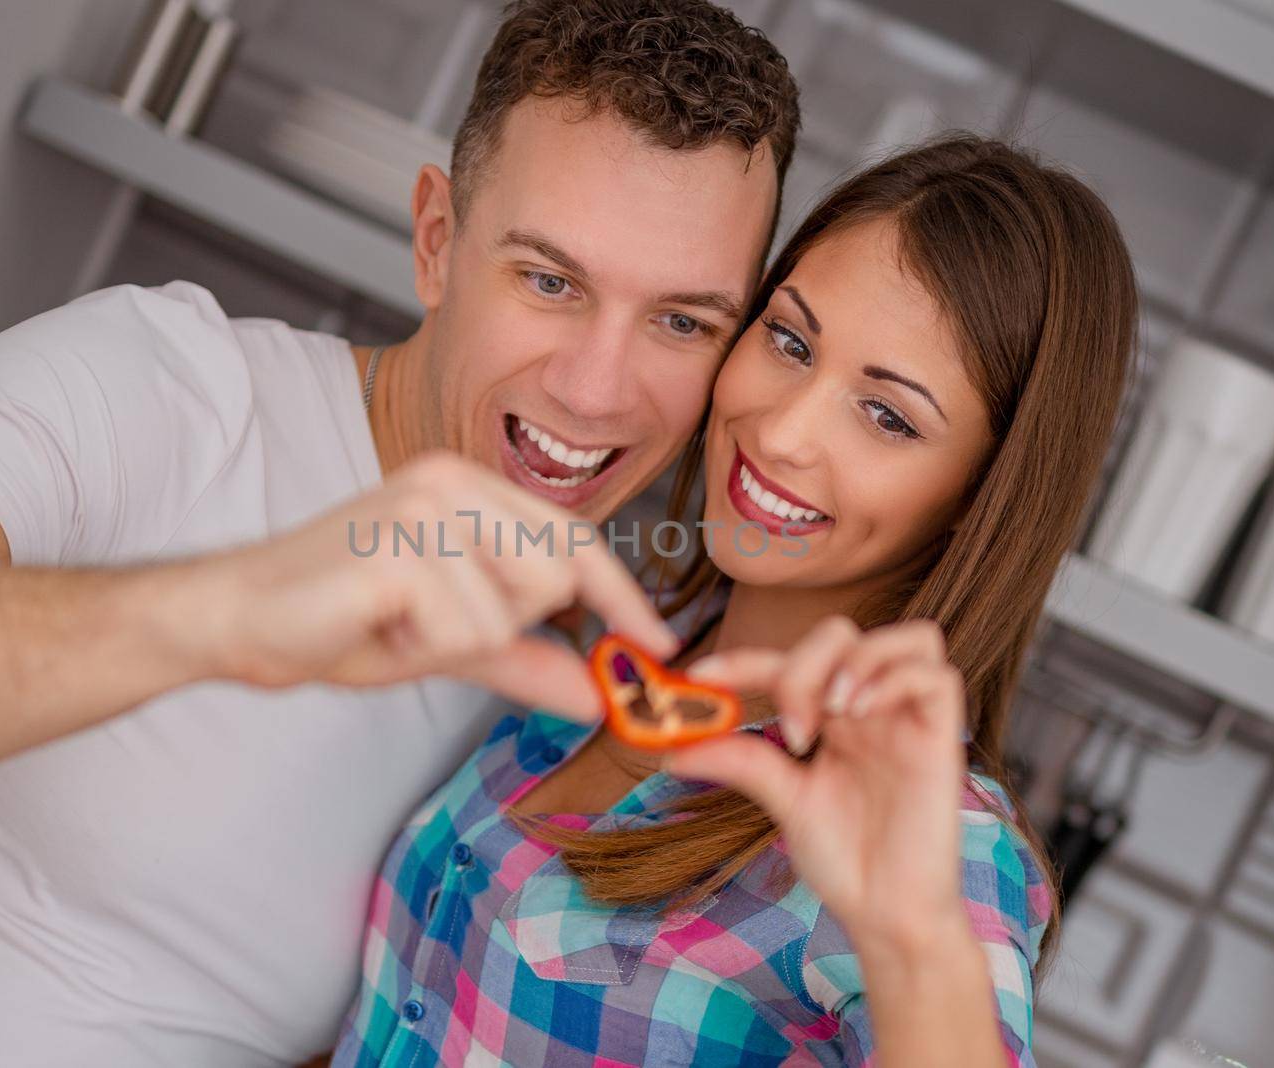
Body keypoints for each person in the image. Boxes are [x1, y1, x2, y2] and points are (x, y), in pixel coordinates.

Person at [0, 2, 800, 1065]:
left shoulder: (552, 693)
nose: (596, 390)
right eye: (548, 280)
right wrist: (220, 614)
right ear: (437, 241)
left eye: (681, 321)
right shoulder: (168, 382)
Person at [327, 134, 1138, 1066]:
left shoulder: (936, 843)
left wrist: (916, 950)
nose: (782, 430)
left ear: (981, 501)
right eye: (790, 340)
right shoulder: (613, 646)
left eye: (889, 417)